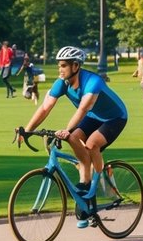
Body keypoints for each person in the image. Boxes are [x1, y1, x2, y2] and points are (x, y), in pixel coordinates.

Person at [19, 46, 129, 228]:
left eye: (63, 65)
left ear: (76, 65)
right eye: (59, 65)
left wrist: (67, 129)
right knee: (73, 138)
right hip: (93, 117)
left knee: (92, 143)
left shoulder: (93, 82)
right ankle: (85, 186)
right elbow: (45, 107)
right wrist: (28, 130)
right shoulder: (61, 83)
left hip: (114, 117)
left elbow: (83, 109)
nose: (59, 69)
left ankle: (100, 180)